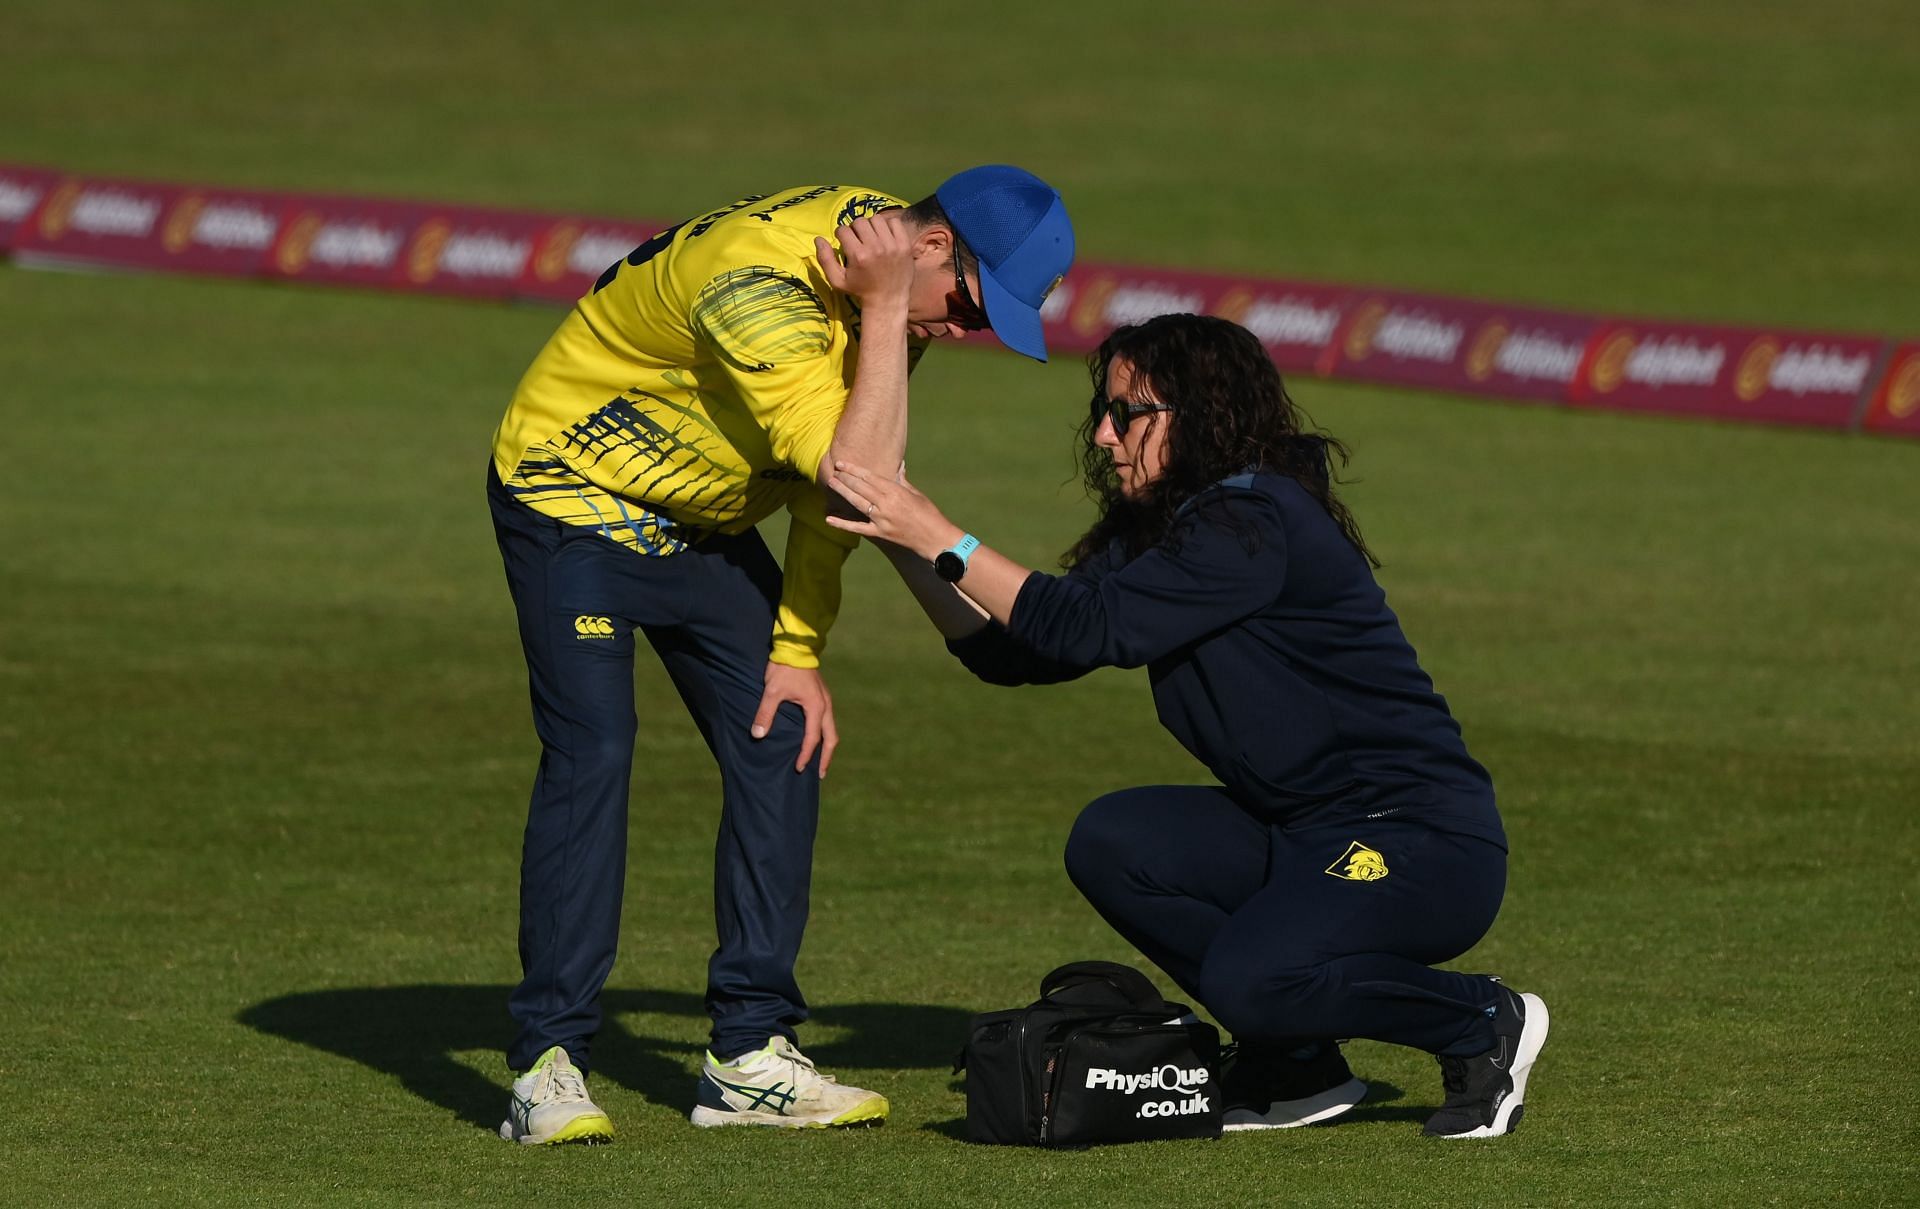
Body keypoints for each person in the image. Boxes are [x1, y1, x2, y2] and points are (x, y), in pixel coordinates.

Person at [825, 312, 1547, 1139]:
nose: (1103, 434)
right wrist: (896, 538)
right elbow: (1021, 652)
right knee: (1115, 840)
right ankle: (1297, 1065)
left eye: (1127, 413)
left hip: (1417, 839)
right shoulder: (1168, 529)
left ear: (1196, 414)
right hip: (1300, 833)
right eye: (1104, 410)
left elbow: (1083, 626)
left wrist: (938, 530)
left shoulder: (1251, 522)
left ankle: (1481, 1021)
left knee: (1254, 979)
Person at [486, 167, 1075, 1144]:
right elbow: (861, 468)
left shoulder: (888, 286)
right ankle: (548, 1062)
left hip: (701, 522)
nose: (966, 329)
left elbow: (838, 499)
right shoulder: (762, 286)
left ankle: (747, 1058)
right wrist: (887, 317)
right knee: (594, 754)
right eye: (971, 303)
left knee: (784, 732)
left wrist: (798, 650)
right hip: (574, 501)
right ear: (931, 249)